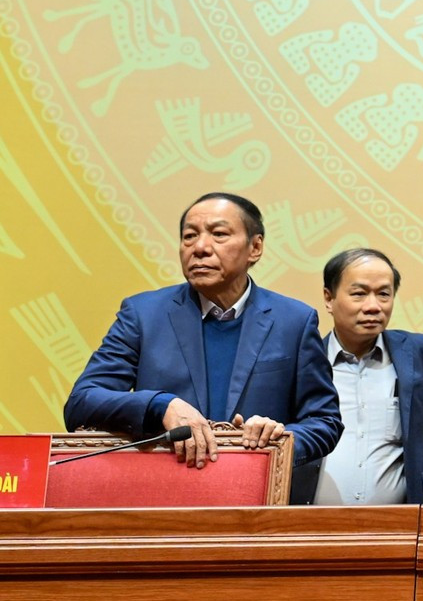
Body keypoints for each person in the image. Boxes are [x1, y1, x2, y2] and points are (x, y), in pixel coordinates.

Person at [64, 192, 341, 501]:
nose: (200, 247)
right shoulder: (143, 314)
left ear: (255, 247)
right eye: (189, 236)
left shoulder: (294, 321)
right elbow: (82, 402)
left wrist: (279, 439)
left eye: (219, 234)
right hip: (161, 500)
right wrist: (160, 405)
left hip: (255, 506)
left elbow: (324, 421)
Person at [312, 247, 423, 505]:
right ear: (329, 298)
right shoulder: (305, 361)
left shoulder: (417, 353)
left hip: (397, 521)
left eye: (384, 294)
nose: (373, 307)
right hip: (312, 520)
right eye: (359, 294)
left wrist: (421, 486)